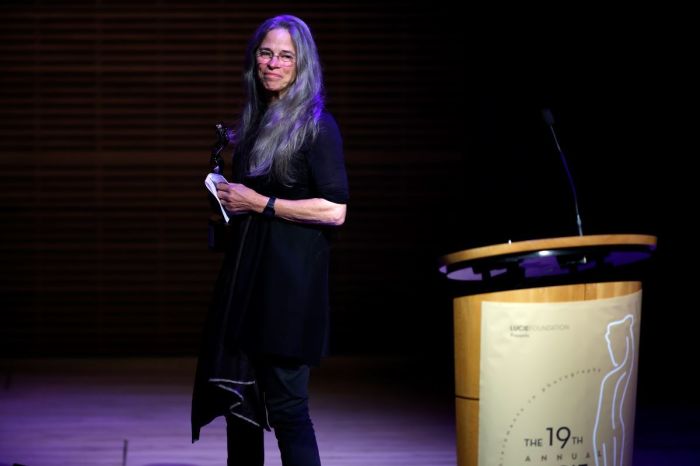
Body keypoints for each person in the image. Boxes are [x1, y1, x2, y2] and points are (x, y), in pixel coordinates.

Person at [191, 14, 349, 466]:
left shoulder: (317, 126)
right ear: (254, 60)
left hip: (287, 292)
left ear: (303, 65)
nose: (273, 63)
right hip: (247, 283)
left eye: (285, 55)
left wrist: (259, 202)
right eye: (266, 53)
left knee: (286, 410)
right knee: (241, 410)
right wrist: (228, 198)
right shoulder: (258, 124)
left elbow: (335, 210)